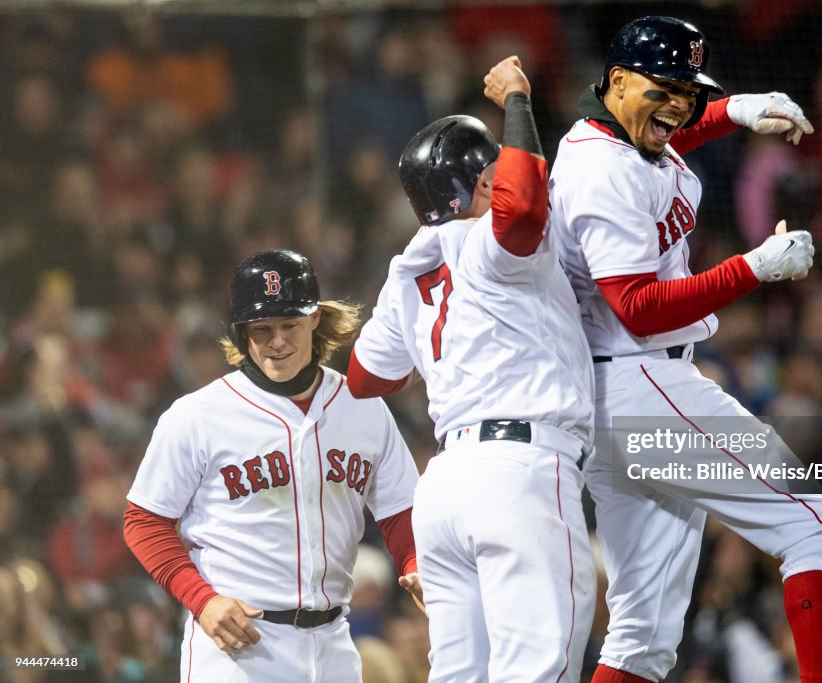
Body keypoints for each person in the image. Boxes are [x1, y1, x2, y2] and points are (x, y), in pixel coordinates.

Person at [548, 16, 822, 683]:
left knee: (642, 639)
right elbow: (638, 305)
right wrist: (754, 268)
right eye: (668, 86)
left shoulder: (612, 132)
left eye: (689, 90)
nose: (680, 104)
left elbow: (665, 131)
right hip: (639, 381)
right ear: (619, 79)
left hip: (612, 392)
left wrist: (732, 112)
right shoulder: (601, 171)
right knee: (819, 526)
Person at [348, 56, 597, 682]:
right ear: (484, 183)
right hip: (521, 471)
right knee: (538, 670)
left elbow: (364, 378)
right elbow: (521, 215)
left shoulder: (407, 268)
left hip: (446, 488)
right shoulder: (496, 242)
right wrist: (517, 101)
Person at [123, 248, 421, 682]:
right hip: (240, 646)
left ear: (315, 318)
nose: (277, 341)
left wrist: (414, 565)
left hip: (336, 639)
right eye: (262, 329)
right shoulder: (199, 415)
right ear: (241, 331)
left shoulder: (362, 406)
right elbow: (143, 521)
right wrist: (201, 600)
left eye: (289, 325)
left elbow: (399, 510)